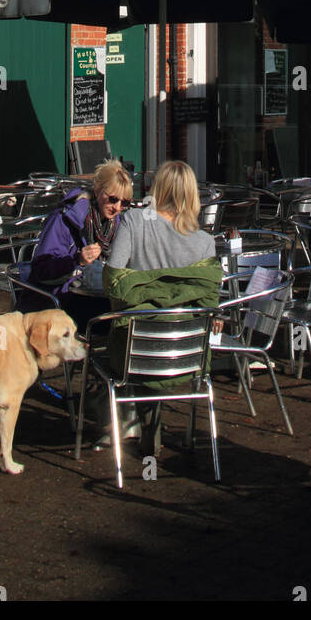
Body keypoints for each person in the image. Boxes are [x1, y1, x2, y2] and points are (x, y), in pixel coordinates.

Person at [102, 161, 223, 452]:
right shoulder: (205, 243)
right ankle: (156, 426)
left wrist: (145, 290)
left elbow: (113, 279)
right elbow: (209, 302)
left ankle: (125, 422)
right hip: (186, 356)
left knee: (103, 342)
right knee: (163, 324)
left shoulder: (132, 222)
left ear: (157, 188)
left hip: (134, 351)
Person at [28, 159, 134, 330]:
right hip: (58, 301)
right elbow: (40, 269)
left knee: (129, 316)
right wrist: (77, 260)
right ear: (99, 190)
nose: (117, 207)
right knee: (115, 324)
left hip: (93, 298)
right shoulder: (65, 218)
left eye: (125, 203)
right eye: (113, 199)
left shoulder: (117, 224)